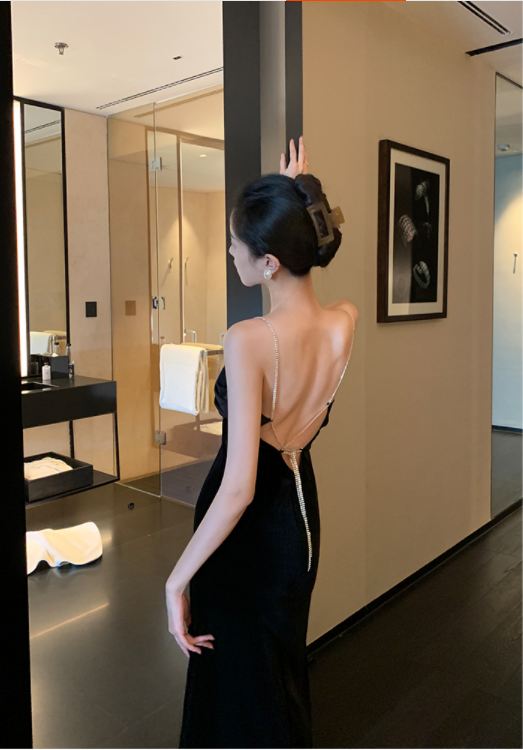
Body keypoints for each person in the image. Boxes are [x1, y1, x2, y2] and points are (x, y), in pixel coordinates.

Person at [165, 136, 358, 748]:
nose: (230, 251)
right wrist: (299, 192)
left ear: (269, 262)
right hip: (300, 522)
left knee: (235, 685)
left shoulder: (248, 339)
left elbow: (238, 488)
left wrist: (175, 581)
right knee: (278, 668)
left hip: (245, 537)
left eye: (237, 244)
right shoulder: (344, 320)